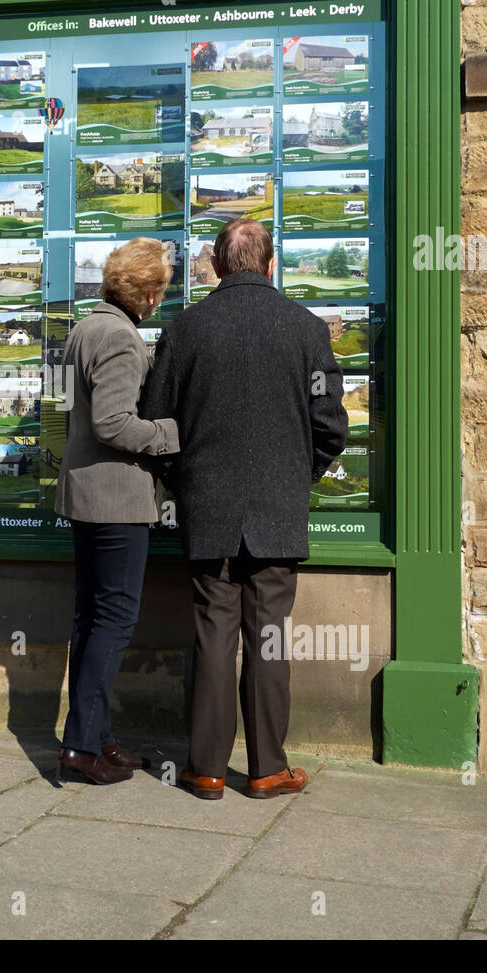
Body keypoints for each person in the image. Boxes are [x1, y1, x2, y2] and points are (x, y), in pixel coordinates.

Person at [140, 219, 347, 800]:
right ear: (270, 264)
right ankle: (267, 769)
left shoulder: (185, 330)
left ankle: (205, 769)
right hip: (279, 511)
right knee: (270, 641)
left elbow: (157, 425)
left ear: (219, 265)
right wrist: (295, 480)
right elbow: (330, 426)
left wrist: (185, 484)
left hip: (207, 511)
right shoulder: (306, 329)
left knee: (212, 638)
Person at [54, 237, 179, 785]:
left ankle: (97, 739)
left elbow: (65, 408)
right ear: (149, 295)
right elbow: (112, 423)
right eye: (160, 291)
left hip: (85, 493)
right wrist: (171, 433)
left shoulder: (86, 326)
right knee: (114, 620)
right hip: (117, 498)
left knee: (91, 620)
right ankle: (82, 746)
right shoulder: (120, 337)